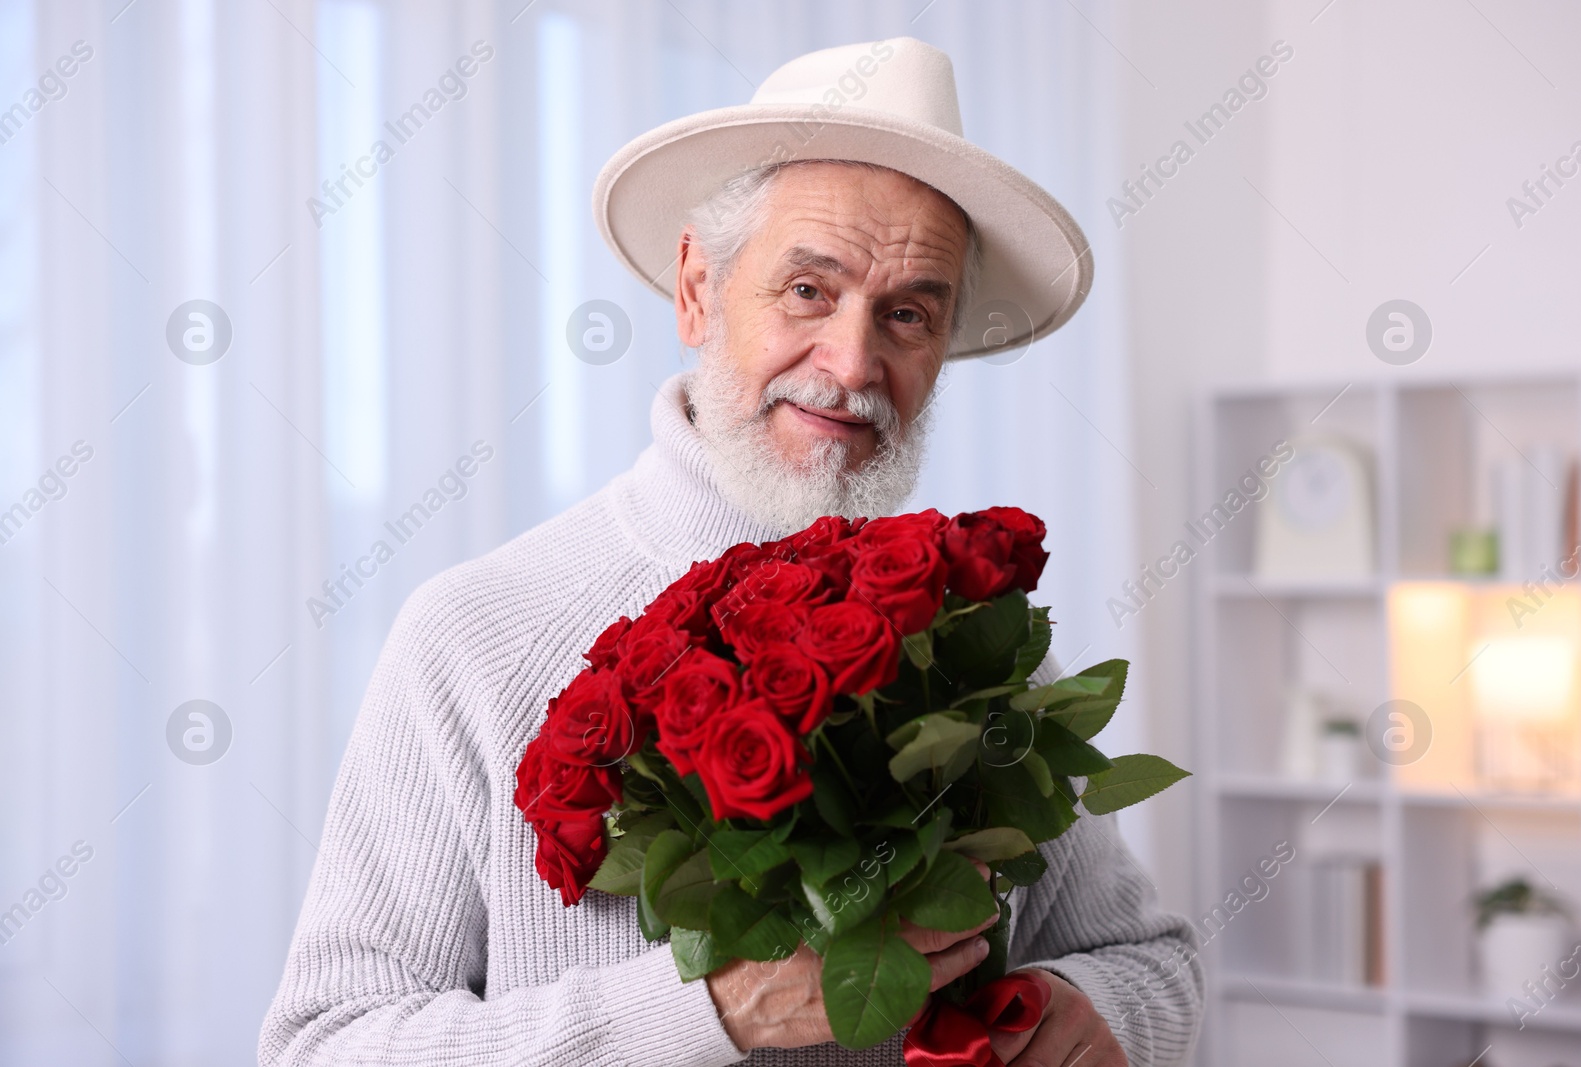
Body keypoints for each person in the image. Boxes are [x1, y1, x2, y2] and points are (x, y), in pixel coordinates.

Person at [260, 37, 1201, 1067]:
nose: (852, 363)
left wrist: (1079, 1005)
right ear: (697, 291)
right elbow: (326, 1043)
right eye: (808, 289)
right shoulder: (474, 633)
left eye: (906, 313)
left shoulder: (975, 648)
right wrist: (705, 1009)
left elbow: (1154, 961)